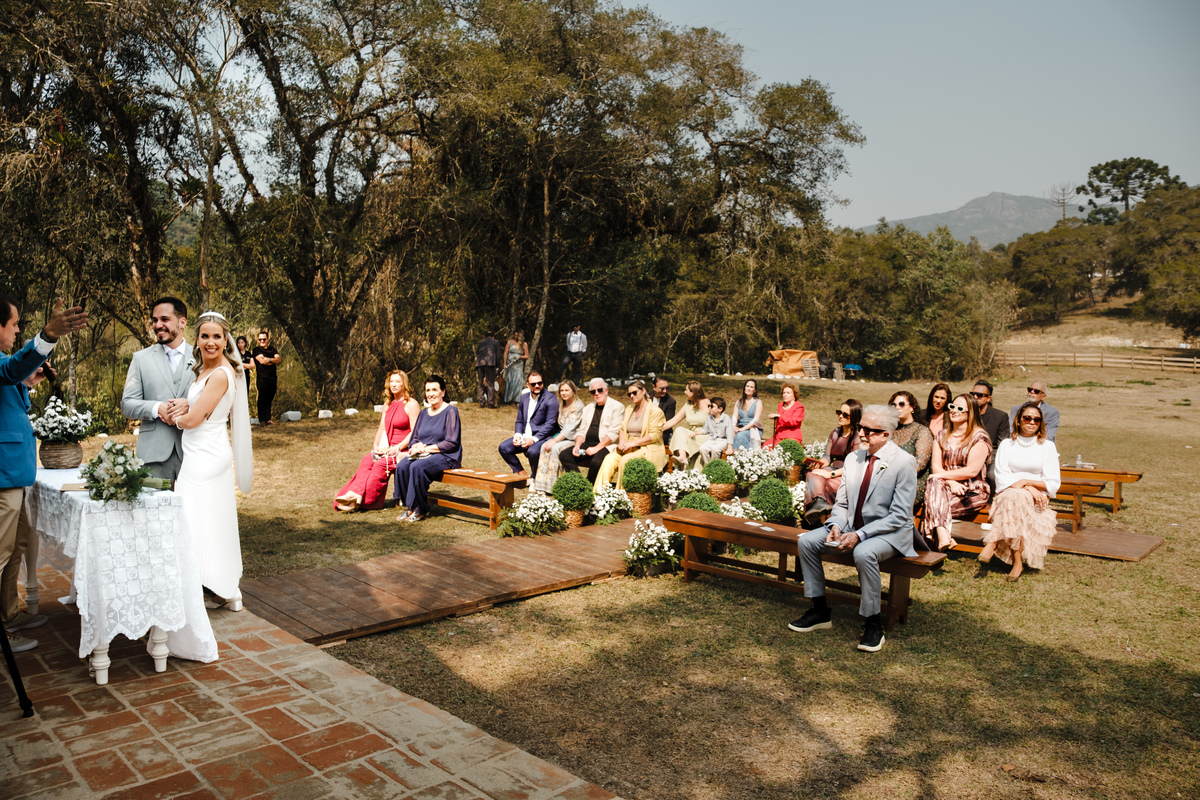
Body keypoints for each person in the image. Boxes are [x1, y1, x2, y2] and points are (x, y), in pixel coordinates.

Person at [789, 404, 923, 653]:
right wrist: (837, 524)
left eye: (870, 430)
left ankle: (873, 624)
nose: (862, 433)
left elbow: (899, 516)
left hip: (890, 533)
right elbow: (842, 503)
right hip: (852, 525)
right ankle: (820, 611)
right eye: (861, 427)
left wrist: (860, 534)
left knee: (864, 552)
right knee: (806, 541)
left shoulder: (904, 463)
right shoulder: (853, 458)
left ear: (886, 434)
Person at [1, 296, 87, 654]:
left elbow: (10, 383)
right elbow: (9, 370)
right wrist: (47, 334)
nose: (18, 329)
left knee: (16, 546)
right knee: (0, 552)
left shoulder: (7, 364)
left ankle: (8, 614)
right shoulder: (5, 362)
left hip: (17, 473)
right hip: (2, 476)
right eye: (14, 323)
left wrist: (27, 382)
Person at [172, 311, 254, 621]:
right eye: (205, 336)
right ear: (197, 339)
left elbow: (194, 420)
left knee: (195, 521)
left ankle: (214, 586)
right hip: (200, 453)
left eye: (216, 336)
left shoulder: (220, 374)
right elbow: (197, 406)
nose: (210, 341)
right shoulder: (203, 371)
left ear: (225, 340)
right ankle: (223, 588)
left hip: (206, 456)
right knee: (211, 521)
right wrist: (185, 406)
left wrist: (173, 416)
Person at [978, 402, 1062, 582]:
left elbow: (1053, 482)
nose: (1032, 422)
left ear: (1041, 423)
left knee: (1015, 498)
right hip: (1009, 493)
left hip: (1036, 497)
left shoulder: (1047, 447)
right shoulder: (1008, 445)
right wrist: (1027, 487)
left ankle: (992, 542)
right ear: (1018, 421)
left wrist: (1027, 483)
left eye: (1036, 419)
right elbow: (1001, 477)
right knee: (1013, 498)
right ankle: (1017, 562)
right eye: (1027, 418)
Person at [121, 296, 194, 481]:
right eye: (155, 320)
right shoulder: (141, 359)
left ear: (182, 322)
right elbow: (127, 404)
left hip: (194, 450)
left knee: (193, 510)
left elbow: (215, 401)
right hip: (153, 455)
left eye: (165, 319)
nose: (158, 325)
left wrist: (190, 405)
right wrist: (157, 408)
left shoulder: (201, 357)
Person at [334, 370, 420, 511]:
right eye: (391, 381)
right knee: (367, 459)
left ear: (404, 383)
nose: (394, 384)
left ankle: (365, 502)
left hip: (403, 451)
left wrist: (398, 447)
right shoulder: (388, 404)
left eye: (398, 381)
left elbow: (414, 432)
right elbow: (382, 428)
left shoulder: (411, 404)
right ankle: (353, 495)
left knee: (380, 465)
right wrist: (376, 445)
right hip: (387, 448)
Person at [923, 394, 993, 551]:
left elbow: (971, 470)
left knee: (932, 501)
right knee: (934, 484)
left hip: (971, 490)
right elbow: (936, 467)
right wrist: (950, 482)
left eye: (960, 408)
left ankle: (932, 540)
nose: (954, 411)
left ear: (971, 413)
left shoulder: (979, 437)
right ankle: (943, 536)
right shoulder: (941, 435)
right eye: (952, 406)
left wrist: (941, 477)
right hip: (943, 487)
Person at [394, 375, 462, 522]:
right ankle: (409, 506)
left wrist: (425, 449)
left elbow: (451, 442)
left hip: (446, 455)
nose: (430, 394)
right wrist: (415, 446)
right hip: (424, 454)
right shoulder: (424, 413)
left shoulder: (450, 411)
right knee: (403, 466)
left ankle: (420, 508)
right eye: (427, 390)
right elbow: (414, 438)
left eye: (434, 390)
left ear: (443, 392)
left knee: (417, 467)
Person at [594, 380, 667, 490]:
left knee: (625, 461)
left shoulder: (655, 411)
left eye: (634, 392)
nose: (632, 396)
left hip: (646, 447)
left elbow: (654, 436)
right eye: (629, 394)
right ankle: (599, 496)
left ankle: (621, 497)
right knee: (609, 459)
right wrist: (622, 441)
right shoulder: (629, 409)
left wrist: (633, 443)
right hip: (627, 447)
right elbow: (622, 429)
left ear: (643, 391)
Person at [803, 399, 863, 526]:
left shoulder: (858, 437)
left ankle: (821, 514)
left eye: (845, 414)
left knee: (821, 481)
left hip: (847, 474)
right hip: (833, 469)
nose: (840, 416)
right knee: (812, 473)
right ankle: (821, 506)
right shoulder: (835, 433)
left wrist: (830, 475)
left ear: (855, 417)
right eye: (839, 412)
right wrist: (819, 465)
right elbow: (827, 457)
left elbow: (854, 466)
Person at [560, 378, 624, 483]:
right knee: (565, 455)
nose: (597, 394)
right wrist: (577, 445)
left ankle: (590, 485)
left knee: (596, 462)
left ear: (606, 390)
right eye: (593, 392)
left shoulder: (617, 407)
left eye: (600, 390)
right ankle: (581, 484)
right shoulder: (588, 408)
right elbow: (581, 431)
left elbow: (613, 434)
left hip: (606, 445)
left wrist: (596, 448)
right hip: (588, 444)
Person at [499, 370, 559, 475]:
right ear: (528, 385)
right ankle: (521, 473)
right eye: (533, 384)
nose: (537, 386)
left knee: (533, 451)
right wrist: (517, 435)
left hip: (542, 437)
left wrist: (533, 439)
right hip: (525, 436)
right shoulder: (524, 398)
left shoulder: (550, 398)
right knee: (504, 448)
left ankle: (535, 478)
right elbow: (519, 420)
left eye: (539, 383)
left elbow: (550, 424)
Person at [530, 380, 586, 493]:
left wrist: (554, 440)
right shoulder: (561, 404)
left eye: (567, 390)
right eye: (561, 390)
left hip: (574, 438)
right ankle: (542, 485)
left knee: (555, 448)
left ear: (573, 392)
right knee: (544, 446)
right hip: (562, 436)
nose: (564, 393)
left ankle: (554, 486)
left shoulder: (578, 406)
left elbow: (570, 428)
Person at [888, 391, 933, 508]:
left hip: (913, 482)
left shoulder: (922, 431)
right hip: (887, 479)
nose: (897, 408)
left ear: (912, 407)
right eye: (893, 405)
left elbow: (920, 464)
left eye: (901, 404)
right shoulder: (889, 430)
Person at [662, 381, 710, 470]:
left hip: (705, 435)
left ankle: (684, 462)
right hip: (692, 435)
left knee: (682, 434)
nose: (684, 392)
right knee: (679, 430)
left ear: (694, 392)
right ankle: (682, 457)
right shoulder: (688, 405)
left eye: (686, 390)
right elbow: (674, 421)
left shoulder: (708, 403)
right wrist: (656, 429)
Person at [251, 329, 281, 424]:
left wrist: (268, 360)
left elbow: (279, 360)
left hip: (272, 378)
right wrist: (272, 360)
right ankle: (262, 420)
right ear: (258, 340)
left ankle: (268, 418)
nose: (262, 341)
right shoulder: (256, 350)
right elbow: (261, 361)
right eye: (260, 339)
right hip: (262, 378)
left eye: (264, 339)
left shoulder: (273, 349)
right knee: (262, 398)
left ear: (268, 339)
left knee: (270, 398)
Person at [766, 383, 805, 448]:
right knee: (765, 448)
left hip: (792, 436)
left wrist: (779, 417)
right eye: (784, 393)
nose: (785, 395)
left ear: (794, 395)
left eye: (788, 393)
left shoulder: (799, 407)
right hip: (778, 435)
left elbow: (794, 421)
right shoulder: (780, 405)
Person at [698, 397, 734, 465]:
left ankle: (714, 466)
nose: (709, 408)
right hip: (712, 439)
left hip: (723, 440)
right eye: (709, 406)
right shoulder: (709, 417)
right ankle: (708, 466)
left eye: (712, 406)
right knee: (702, 449)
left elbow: (729, 433)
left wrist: (729, 447)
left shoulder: (726, 418)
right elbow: (705, 429)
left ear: (720, 409)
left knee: (715, 449)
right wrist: (696, 433)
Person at [731, 379, 763, 450]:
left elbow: (756, 420)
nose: (748, 388)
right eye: (747, 386)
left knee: (740, 435)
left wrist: (742, 429)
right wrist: (734, 427)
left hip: (753, 429)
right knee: (731, 434)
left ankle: (744, 456)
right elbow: (734, 417)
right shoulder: (739, 402)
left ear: (754, 390)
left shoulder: (758, 402)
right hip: (740, 426)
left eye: (751, 387)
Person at [475, 330, 503, 409]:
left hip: (480, 364)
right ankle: (491, 403)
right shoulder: (496, 342)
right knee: (490, 383)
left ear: (485, 336)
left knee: (480, 384)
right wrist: (497, 367)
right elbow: (498, 356)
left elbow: (478, 354)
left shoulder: (481, 343)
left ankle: (482, 403)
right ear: (493, 336)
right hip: (490, 364)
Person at [502, 331, 528, 405]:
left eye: (517, 335)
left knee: (518, 381)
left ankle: (517, 399)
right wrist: (504, 363)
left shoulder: (524, 344)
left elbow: (527, 356)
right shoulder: (510, 342)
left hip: (519, 365)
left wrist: (520, 357)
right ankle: (509, 399)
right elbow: (505, 352)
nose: (516, 337)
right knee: (510, 380)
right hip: (510, 364)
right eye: (515, 335)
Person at [651, 377, 676, 446]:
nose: (665, 391)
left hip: (661, 432)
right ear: (654, 387)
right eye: (662, 388)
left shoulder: (670, 402)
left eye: (667, 388)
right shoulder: (646, 397)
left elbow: (667, 423)